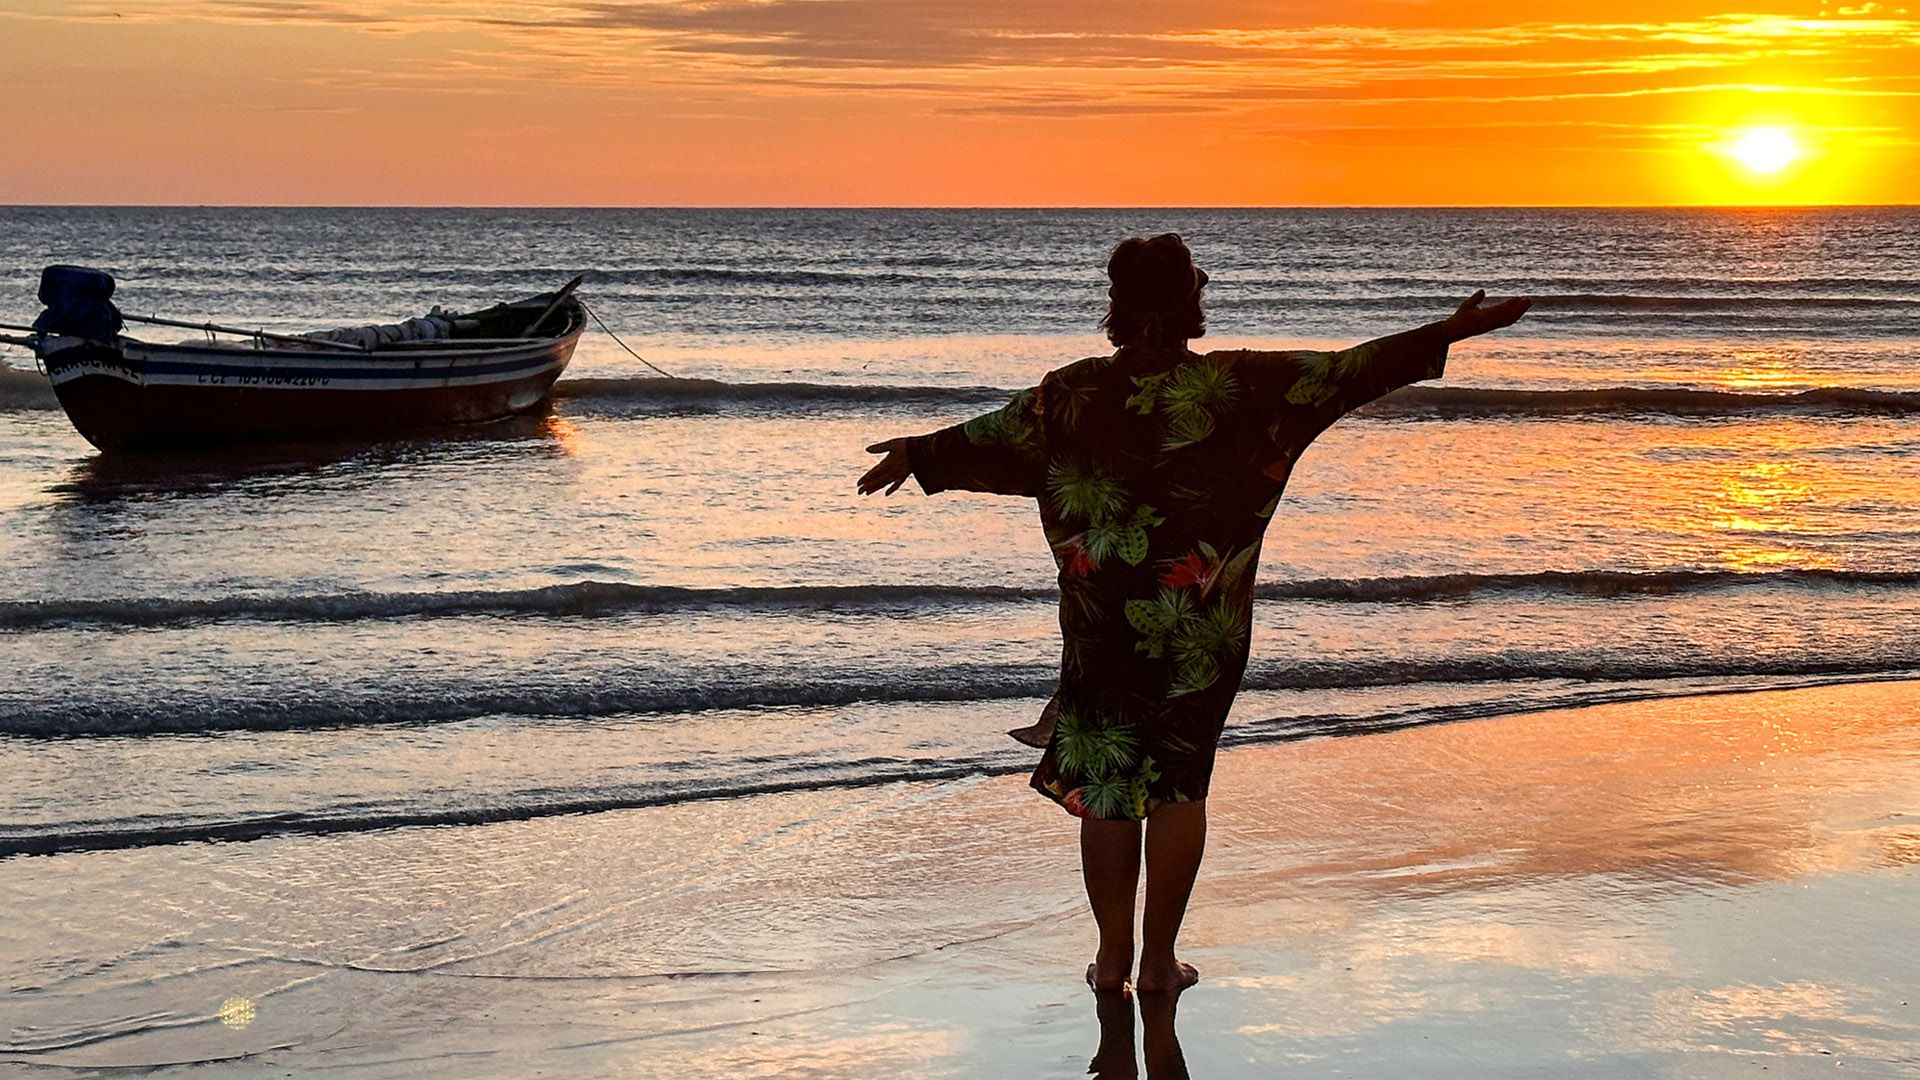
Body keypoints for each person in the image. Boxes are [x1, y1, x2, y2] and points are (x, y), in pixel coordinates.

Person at [858, 234, 1530, 994]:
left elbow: (987, 437)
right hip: (1200, 628)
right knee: (1178, 785)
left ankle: (1111, 958)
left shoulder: (1069, 392)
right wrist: (1444, 332)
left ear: (1115, 308)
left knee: (1108, 786)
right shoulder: (1243, 386)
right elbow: (1346, 372)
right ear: (1191, 303)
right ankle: (1156, 965)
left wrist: (919, 452)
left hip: (1101, 630)